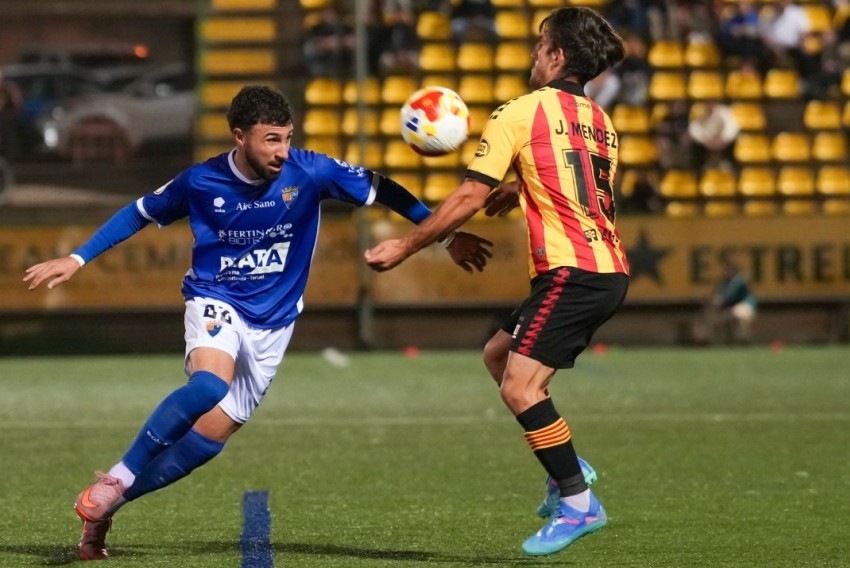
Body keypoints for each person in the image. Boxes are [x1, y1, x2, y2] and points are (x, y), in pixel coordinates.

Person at [23, 85, 492, 560]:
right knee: (208, 386)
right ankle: (116, 477)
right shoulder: (201, 181)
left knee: (209, 440)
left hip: (275, 324)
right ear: (239, 137)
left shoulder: (310, 171)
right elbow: (140, 212)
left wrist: (445, 237)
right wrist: (79, 258)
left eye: (286, 138)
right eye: (271, 139)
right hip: (215, 299)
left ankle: (108, 508)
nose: (281, 151)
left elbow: (383, 188)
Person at [365, 6, 629, 557]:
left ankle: (579, 501)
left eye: (541, 46)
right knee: (497, 355)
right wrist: (518, 189)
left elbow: (465, 196)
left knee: (520, 388)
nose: (535, 55)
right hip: (603, 267)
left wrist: (408, 245)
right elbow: (579, 186)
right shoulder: (601, 121)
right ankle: (566, 466)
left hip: (573, 272)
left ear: (557, 55)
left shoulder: (521, 111)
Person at [695, 260, 757, 345]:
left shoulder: (739, 281)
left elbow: (728, 297)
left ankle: (744, 341)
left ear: (733, 270)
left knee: (738, 315)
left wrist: (714, 300)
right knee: (709, 315)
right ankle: (704, 340)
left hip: (744, 306)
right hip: (729, 309)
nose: (725, 272)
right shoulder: (723, 282)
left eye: (727, 270)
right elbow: (717, 296)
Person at [687, 100, 740, 172]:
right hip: (705, 145)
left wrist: (723, 139)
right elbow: (694, 129)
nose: (710, 105)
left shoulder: (725, 112)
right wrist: (705, 140)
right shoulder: (698, 112)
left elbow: (732, 127)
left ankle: (728, 167)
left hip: (724, 144)